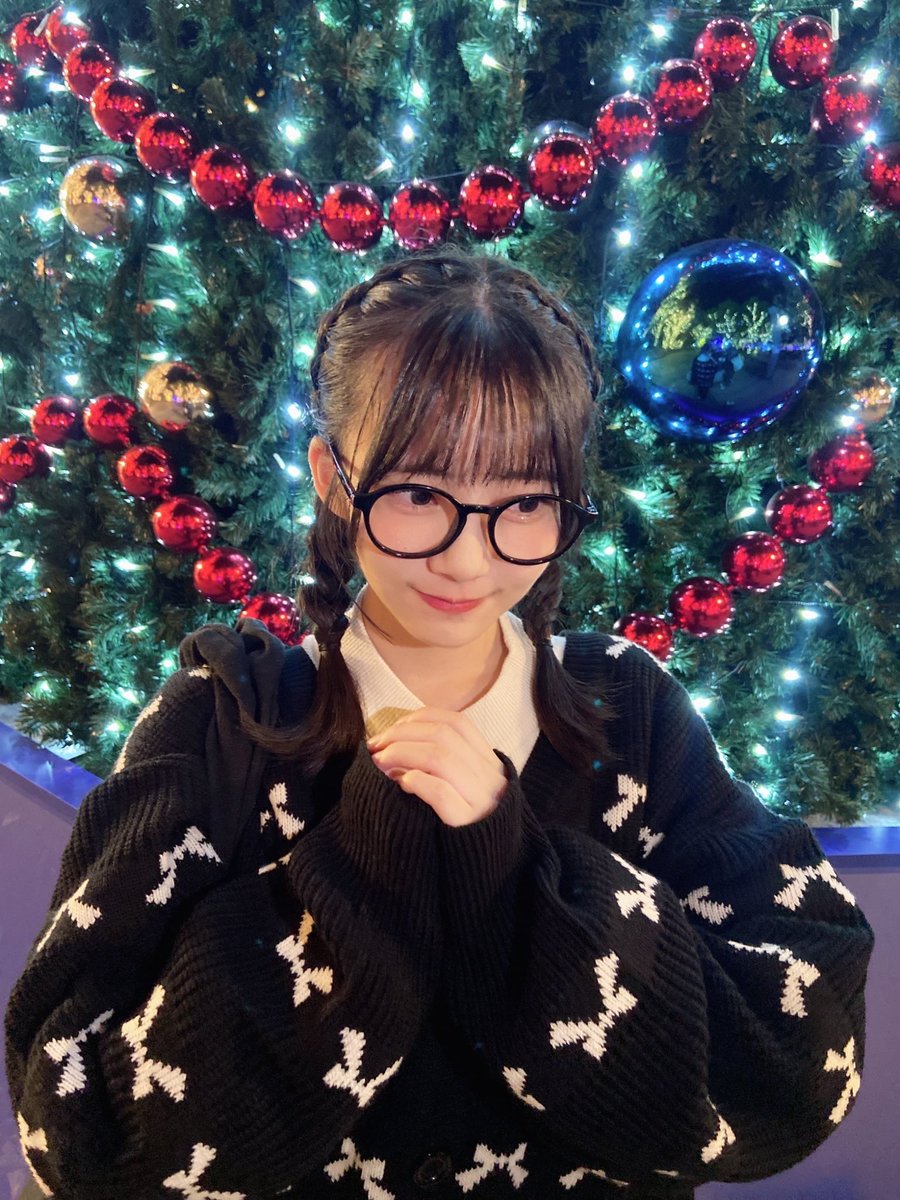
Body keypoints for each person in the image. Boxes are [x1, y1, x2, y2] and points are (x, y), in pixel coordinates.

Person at [5, 247, 874, 1200]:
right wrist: (364, 868)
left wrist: (521, 882)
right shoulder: (223, 725)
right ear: (333, 477)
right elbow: (77, 1127)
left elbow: (799, 1062)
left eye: (525, 503)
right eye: (418, 494)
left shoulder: (631, 712)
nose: (467, 561)